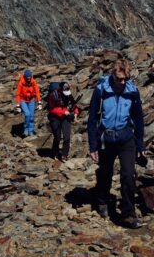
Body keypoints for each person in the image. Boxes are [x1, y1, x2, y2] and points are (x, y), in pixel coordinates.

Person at [87, 59, 145, 229]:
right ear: (113, 75)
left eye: (125, 79)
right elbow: (92, 119)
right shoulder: (101, 91)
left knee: (128, 174)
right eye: (119, 79)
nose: (122, 83)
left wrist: (140, 145)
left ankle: (128, 214)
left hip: (126, 138)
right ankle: (103, 201)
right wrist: (93, 146)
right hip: (106, 138)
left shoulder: (132, 91)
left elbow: (138, 118)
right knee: (105, 172)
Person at [46, 81, 79, 160]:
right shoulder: (53, 96)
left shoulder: (68, 94)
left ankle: (65, 154)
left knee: (66, 136)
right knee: (57, 137)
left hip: (65, 117)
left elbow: (73, 104)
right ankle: (55, 152)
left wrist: (75, 114)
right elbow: (51, 109)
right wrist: (63, 112)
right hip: (55, 117)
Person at [15, 69, 41, 137]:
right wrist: (18, 105)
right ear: (25, 77)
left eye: (30, 78)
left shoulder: (33, 82)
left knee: (31, 116)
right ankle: (26, 129)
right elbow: (17, 94)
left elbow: (37, 92)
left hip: (31, 100)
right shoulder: (21, 83)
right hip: (23, 100)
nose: (29, 80)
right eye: (27, 78)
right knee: (27, 114)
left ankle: (31, 131)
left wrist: (39, 102)